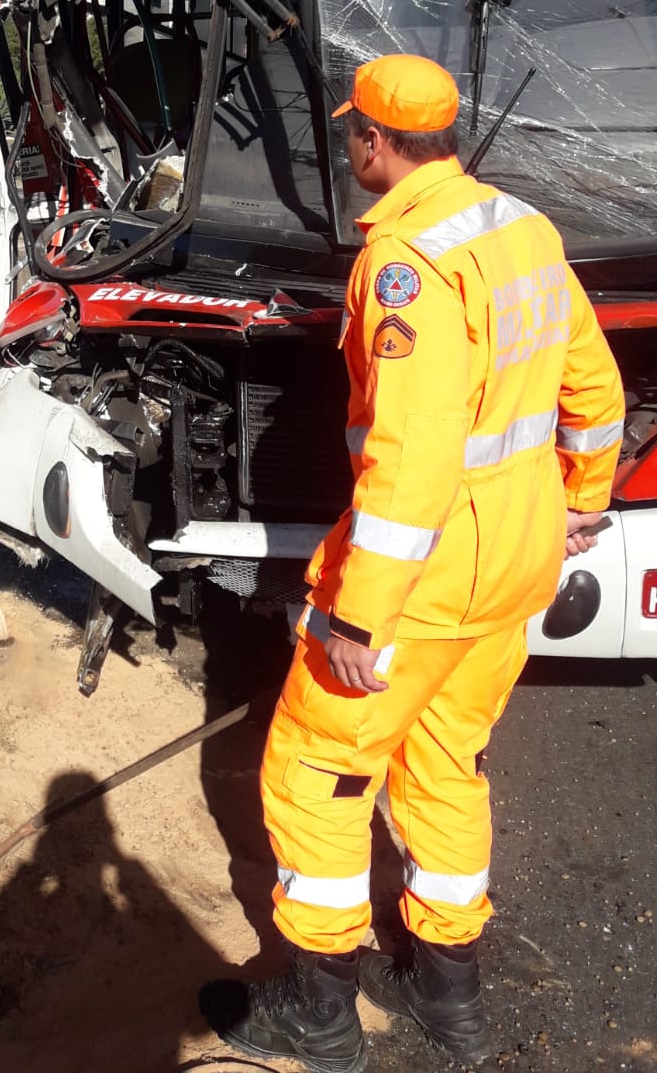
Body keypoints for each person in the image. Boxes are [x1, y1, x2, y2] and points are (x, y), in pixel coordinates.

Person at [200, 55, 624, 1072]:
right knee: (446, 765)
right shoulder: (521, 227)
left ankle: (318, 1014)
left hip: (427, 578)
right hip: (516, 556)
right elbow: (594, 388)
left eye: (354, 134)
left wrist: (356, 618)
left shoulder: (407, 266)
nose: (350, 148)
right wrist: (580, 502)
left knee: (316, 772)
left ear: (377, 143)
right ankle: (452, 997)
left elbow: (411, 458)